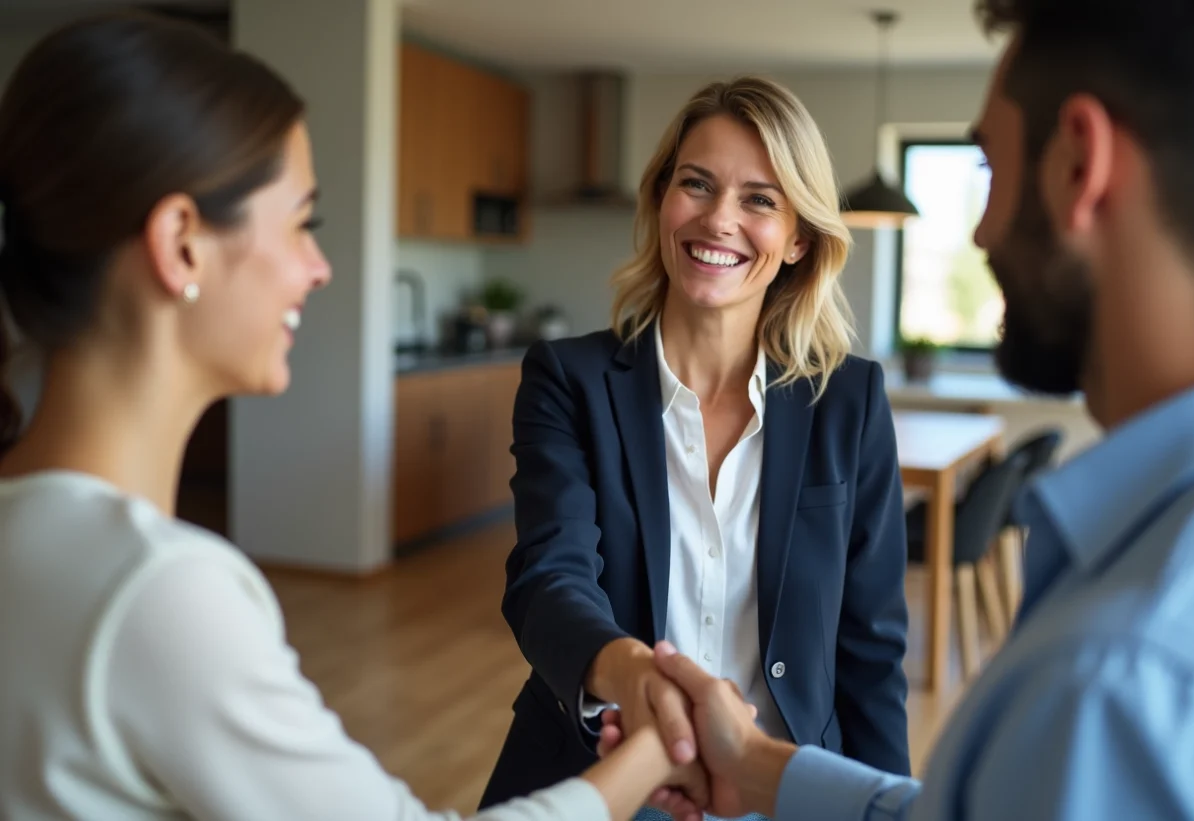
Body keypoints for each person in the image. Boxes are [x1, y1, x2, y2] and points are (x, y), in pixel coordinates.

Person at [0, 12, 702, 821]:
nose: (320, 267)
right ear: (182, 243)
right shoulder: (158, 595)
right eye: (302, 223)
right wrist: (661, 745)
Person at [599, 0, 1194, 817]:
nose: (981, 232)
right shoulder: (1128, 610)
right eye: (696, 184)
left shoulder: (1119, 668)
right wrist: (756, 764)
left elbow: (870, 649)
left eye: (987, 168)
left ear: (1077, 165)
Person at [479, 76, 911, 819]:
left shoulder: (849, 401)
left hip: (783, 787)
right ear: (660, 201)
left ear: (799, 238)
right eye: (697, 184)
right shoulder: (568, 380)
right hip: (602, 778)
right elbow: (550, 580)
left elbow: (871, 651)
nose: (719, 219)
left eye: (760, 199)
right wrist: (639, 678)